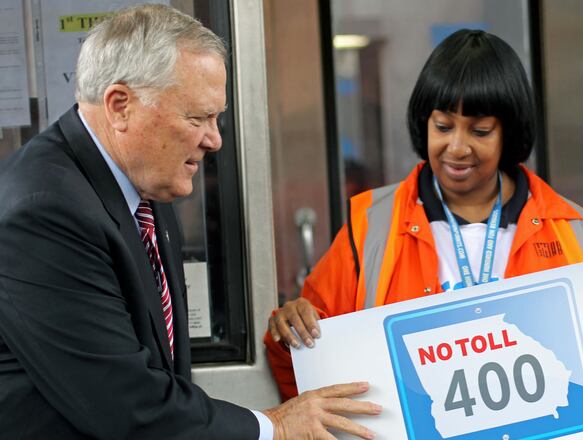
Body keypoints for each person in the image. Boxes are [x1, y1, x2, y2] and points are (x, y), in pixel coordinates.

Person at [0, 4, 379, 439]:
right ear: (120, 106)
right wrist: (274, 426)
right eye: (197, 118)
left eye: (217, 118)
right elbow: (126, 404)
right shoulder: (44, 212)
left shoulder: (145, 182)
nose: (214, 139)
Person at [265, 29, 583, 403]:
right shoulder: (371, 229)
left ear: (508, 132)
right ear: (424, 123)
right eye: (442, 126)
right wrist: (289, 335)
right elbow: (305, 374)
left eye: (480, 130)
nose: (457, 147)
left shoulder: (575, 233)